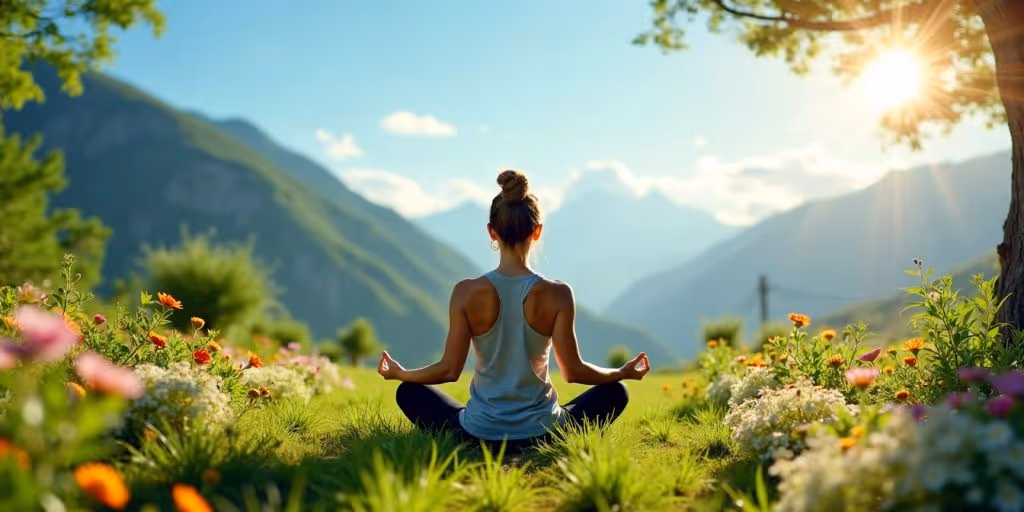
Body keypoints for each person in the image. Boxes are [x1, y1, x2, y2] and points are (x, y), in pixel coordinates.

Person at [377, 169, 650, 447]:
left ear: (491, 232)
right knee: (617, 391)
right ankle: (544, 435)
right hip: (544, 432)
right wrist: (621, 372)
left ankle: (476, 437)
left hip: (478, 432)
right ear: (537, 231)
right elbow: (574, 371)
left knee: (408, 392)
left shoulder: (465, 292)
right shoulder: (558, 294)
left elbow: (449, 370)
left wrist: (401, 374)